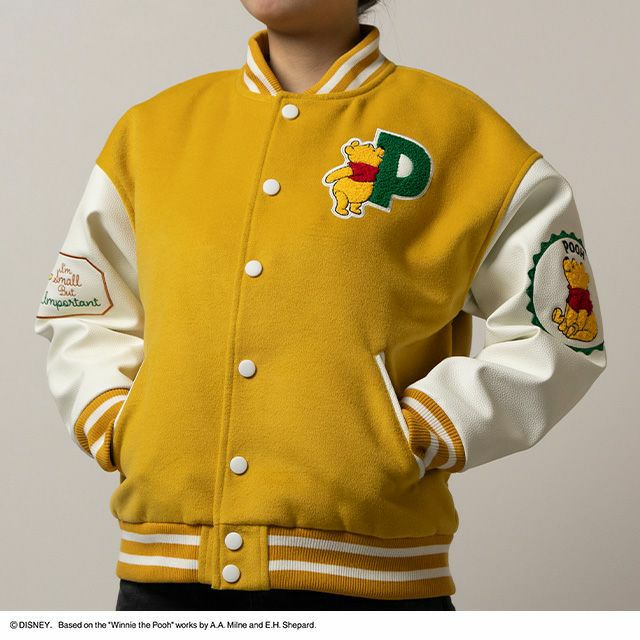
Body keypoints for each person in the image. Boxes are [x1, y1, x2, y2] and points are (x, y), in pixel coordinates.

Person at [33, 0, 607, 612]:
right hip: (163, 584)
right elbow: (84, 307)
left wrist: (420, 431)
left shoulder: (461, 134)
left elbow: (560, 334)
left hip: (376, 588)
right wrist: (116, 420)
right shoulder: (152, 132)